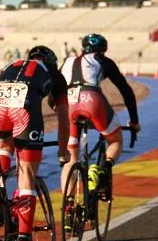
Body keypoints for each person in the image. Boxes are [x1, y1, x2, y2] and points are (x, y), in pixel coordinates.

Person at [0, 45, 69, 241]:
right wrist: (63, 150)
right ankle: (22, 240)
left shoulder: (10, 65)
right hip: (25, 110)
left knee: (4, 146)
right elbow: (63, 120)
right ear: (51, 61)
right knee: (27, 176)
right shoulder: (55, 74)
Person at [60, 33, 141, 196]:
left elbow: (54, 93)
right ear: (103, 50)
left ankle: (68, 209)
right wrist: (134, 121)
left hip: (70, 103)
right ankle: (101, 171)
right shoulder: (102, 60)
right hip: (92, 100)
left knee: (72, 159)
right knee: (115, 141)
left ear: (82, 49)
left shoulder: (67, 61)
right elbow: (125, 91)